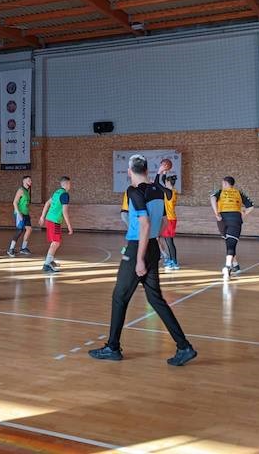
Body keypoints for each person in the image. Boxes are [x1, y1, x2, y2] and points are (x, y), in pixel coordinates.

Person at [89, 154, 196, 366]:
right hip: (153, 246)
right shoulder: (158, 190)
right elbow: (163, 222)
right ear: (146, 170)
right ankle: (184, 347)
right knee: (155, 299)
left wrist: (139, 258)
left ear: (129, 172)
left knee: (119, 297)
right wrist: (152, 244)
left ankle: (112, 347)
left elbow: (144, 224)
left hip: (138, 247)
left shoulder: (133, 191)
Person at [210, 176, 254, 281]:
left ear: (225, 183)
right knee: (231, 243)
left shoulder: (220, 192)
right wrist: (244, 213)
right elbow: (251, 206)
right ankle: (227, 267)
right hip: (235, 218)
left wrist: (216, 213)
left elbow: (212, 198)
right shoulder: (239, 193)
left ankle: (235, 265)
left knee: (229, 242)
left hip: (222, 219)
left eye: (222, 183)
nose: (222, 185)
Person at [39, 176, 73, 273]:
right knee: (56, 242)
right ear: (66, 184)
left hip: (49, 219)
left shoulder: (57, 192)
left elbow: (47, 203)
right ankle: (47, 264)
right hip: (54, 221)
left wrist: (42, 216)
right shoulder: (65, 194)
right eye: (69, 184)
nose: (70, 186)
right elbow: (65, 211)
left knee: (55, 241)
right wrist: (69, 225)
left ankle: (50, 260)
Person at [6, 176, 33, 257]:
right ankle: (11, 249)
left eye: (31, 180)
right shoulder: (20, 190)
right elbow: (14, 202)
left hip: (26, 213)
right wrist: (18, 213)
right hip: (20, 213)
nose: (30, 181)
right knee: (19, 230)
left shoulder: (27, 191)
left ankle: (23, 248)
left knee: (29, 229)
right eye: (29, 180)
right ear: (24, 181)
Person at [161, 174, 180, 270]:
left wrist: (160, 173)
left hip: (170, 219)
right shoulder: (172, 191)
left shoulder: (169, 192)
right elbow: (162, 180)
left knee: (169, 241)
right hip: (169, 218)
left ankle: (175, 262)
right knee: (168, 241)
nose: (164, 183)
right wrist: (164, 172)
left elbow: (158, 184)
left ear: (168, 182)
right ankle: (172, 261)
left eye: (166, 182)